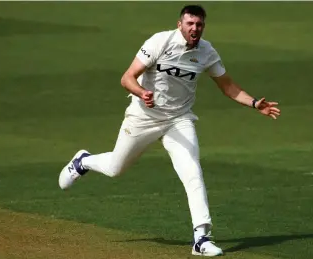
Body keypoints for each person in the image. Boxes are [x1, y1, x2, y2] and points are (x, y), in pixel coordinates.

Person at [59, 4, 280, 257]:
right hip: (143, 116)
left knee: (192, 171)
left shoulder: (207, 52)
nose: (194, 28)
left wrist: (254, 103)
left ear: (203, 27)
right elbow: (127, 77)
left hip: (179, 120)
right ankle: (83, 161)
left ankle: (201, 238)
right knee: (115, 168)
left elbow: (228, 86)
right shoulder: (159, 42)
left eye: (199, 25)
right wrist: (142, 92)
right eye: (190, 24)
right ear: (180, 25)